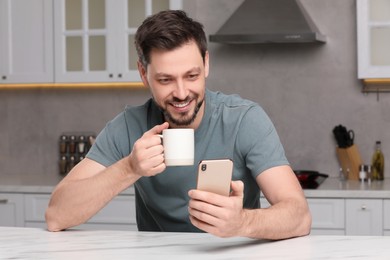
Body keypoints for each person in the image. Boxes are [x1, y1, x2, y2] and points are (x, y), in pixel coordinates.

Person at [45, 10, 311, 239]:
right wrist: (129, 168)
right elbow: (57, 216)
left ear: (206, 64)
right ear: (143, 74)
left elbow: (299, 216)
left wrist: (241, 222)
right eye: (165, 80)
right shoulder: (128, 126)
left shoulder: (244, 120)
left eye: (192, 75)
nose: (182, 93)